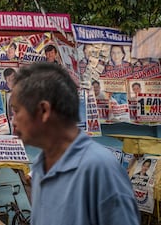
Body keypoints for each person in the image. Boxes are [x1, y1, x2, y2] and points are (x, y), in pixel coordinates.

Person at [10, 63, 140, 225]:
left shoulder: (100, 170)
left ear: (44, 111)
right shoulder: (39, 168)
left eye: (16, 111)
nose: (13, 121)